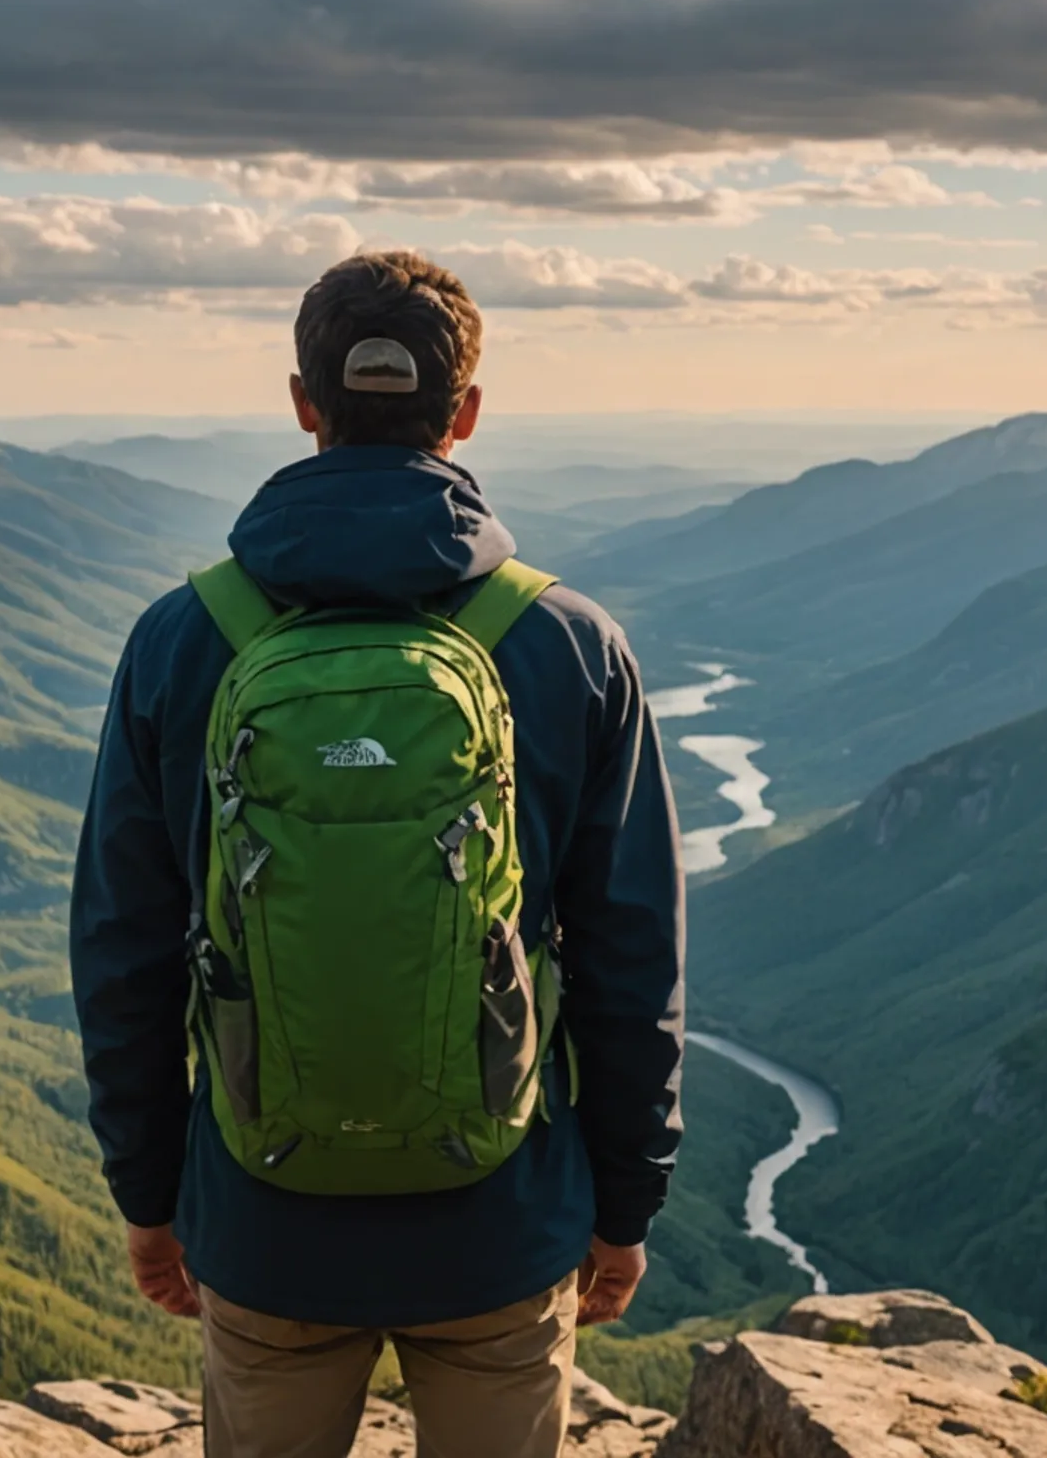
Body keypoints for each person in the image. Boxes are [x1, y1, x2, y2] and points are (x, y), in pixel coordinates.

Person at [70, 250, 687, 1458]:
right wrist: (625, 1203)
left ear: (302, 401)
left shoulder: (184, 639)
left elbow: (125, 952)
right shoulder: (568, 644)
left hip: (264, 1216)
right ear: (465, 413)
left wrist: (153, 1196)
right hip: (502, 1218)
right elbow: (631, 962)